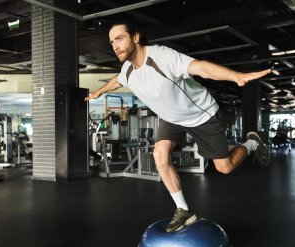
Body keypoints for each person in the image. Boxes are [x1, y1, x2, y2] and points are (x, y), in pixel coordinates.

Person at [85, 21, 271, 233]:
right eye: (111, 42)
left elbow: (199, 67)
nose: (115, 46)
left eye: (119, 38)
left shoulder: (162, 57)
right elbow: (117, 80)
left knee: (224, 167)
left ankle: (251, 143)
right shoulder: (128, 69)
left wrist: (234, 76)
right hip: (172, 118)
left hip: (200, 114)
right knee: (159, 155)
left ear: (135, 37)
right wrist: (99, 92)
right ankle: (183, 210)